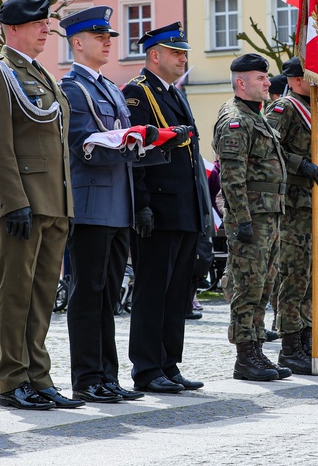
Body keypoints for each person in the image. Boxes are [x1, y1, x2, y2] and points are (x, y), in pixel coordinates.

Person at [60, 7, 181, 402]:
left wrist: (155, 141)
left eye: (109, 36)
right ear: (78, 43)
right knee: (88, 293)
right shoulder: (72, 88)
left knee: (108, 296)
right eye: (99, 36)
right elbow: (83, 144)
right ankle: (87, 376)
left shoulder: (111, 88)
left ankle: (107, 376)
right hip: (91, 202)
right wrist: (132, 139)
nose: (108, 41)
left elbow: (124, 140)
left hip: (118, 203)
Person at [0, 0, 78, 411]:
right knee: (16, 294)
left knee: (42, 295)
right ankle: (12, 379)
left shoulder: (42, 75)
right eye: (38, 23)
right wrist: (14, 201)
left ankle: (38, 375)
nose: (46, 29)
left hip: (53, 201)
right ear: (13, 28)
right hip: (22, 205)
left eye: (47, 23)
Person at [122, 21, 210, 393]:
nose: (182, 58)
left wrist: (203, 210)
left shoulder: (175, 94)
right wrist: (141, 204)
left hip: (184, 207)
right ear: (154, 55)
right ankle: (146, 368)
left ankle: (168, 363)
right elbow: (136, 153)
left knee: (177, 292)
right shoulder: (138, 93)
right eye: (175, 52)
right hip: (157, 210)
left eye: (183, 53)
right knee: (153, 290)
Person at [264, 57, 318, 376]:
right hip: (295, 205)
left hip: (316, 202)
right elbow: (269, 146)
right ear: (296, 80)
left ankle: (309, 344)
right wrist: (299, 163)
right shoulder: (282, 108)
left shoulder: (311, 110)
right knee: (295, 276)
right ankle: (290, 347)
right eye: (312, 78)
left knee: (313, 277)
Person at [213, 53, 288, 381]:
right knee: (247, 285)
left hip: (268, 213)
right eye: (261, 78)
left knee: (264, 284)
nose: (268, 83)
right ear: (241, 83)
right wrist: (241, 218)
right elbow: (231, 175)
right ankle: (245, 356)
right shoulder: (235, 118)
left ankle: (256, 348)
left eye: (267, 77)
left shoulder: (256, 116)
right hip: (251, 217)